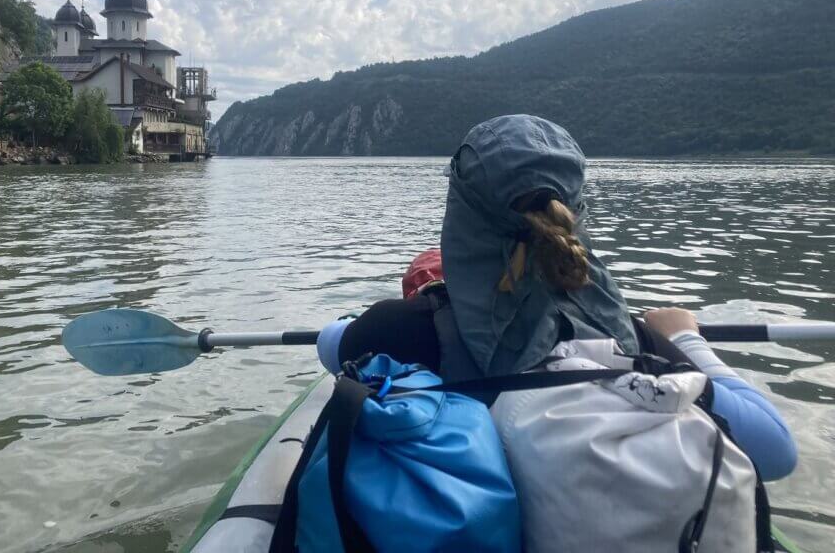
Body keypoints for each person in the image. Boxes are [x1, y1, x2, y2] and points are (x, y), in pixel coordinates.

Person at [317, 114, 796, 481]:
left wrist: (413, 302)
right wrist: (687, 340)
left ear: (462, 215)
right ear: (576, 209)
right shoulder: (631, 342)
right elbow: (775, 452)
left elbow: (330, 342)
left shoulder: (401, 328)